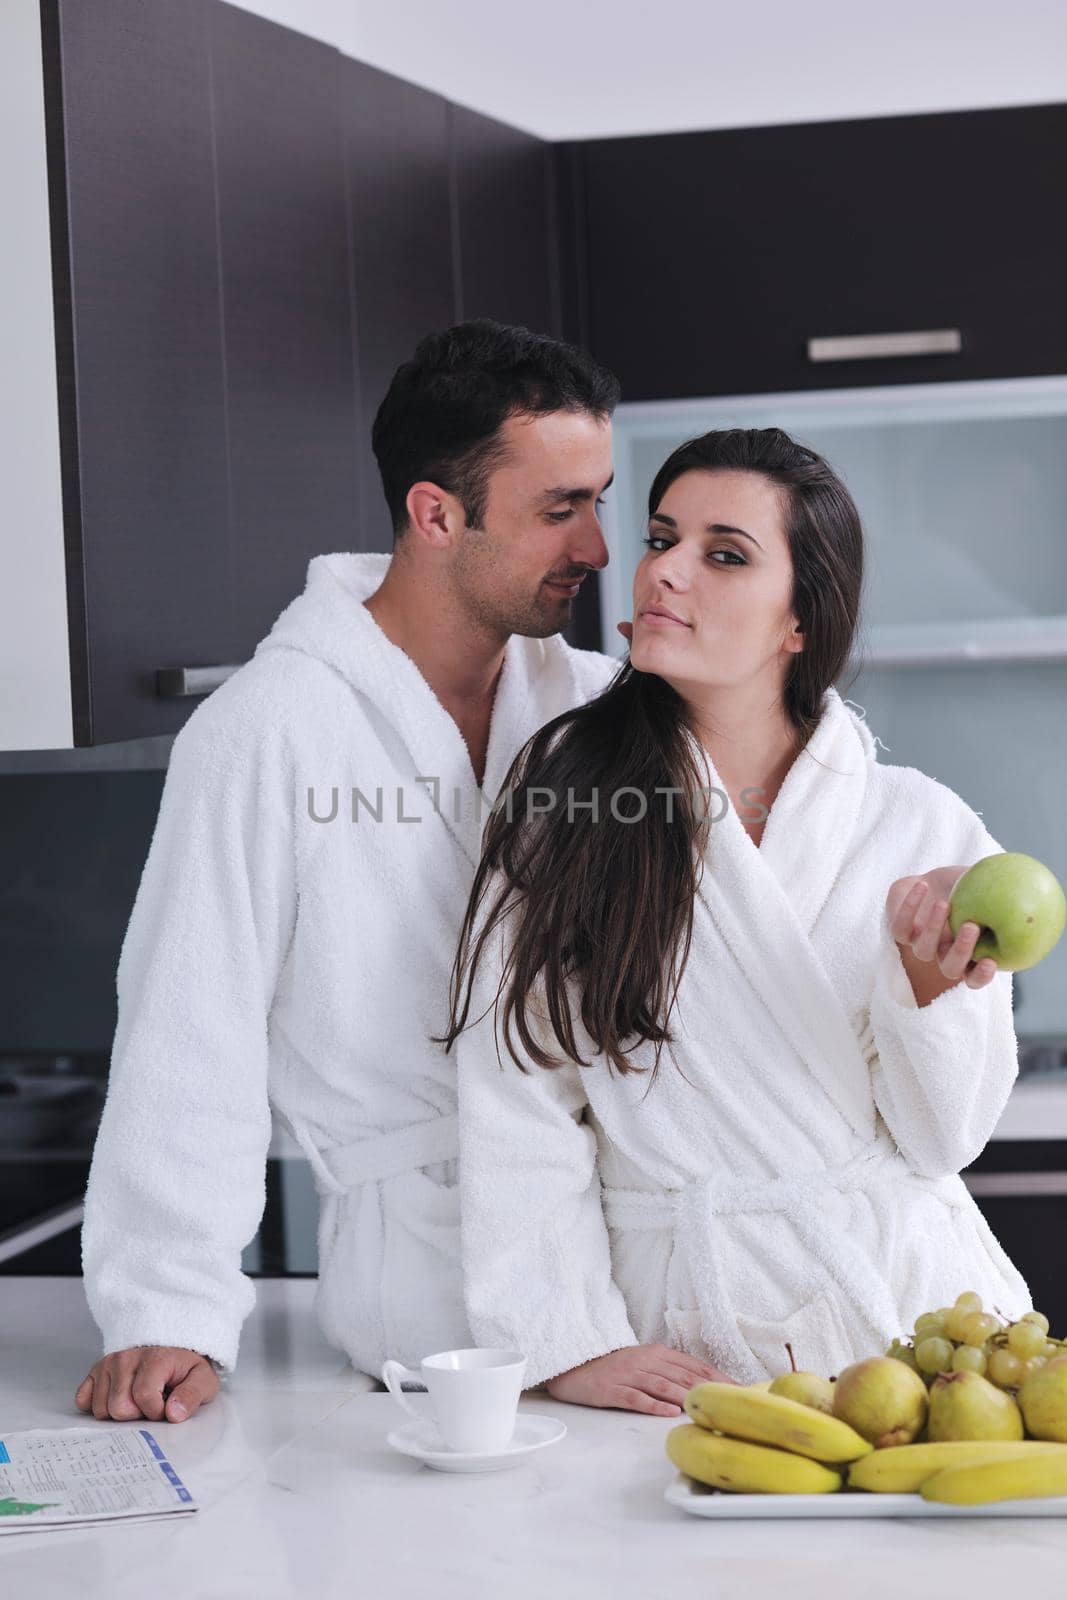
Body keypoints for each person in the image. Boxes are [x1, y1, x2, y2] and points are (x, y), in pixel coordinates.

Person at [76, 319, 729, 1426]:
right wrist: (167, 1305)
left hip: (630, 1255)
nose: (600, 549)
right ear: (436, 514)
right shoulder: (268, 729)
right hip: (433, 1289)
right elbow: (192, 1026)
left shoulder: (588, 705)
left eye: (598, 498)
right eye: (557, 508)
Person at [442, 425, 1032, 1419]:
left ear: (797, 619)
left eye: (722, 554)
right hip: (686, 1343)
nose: (664, 572)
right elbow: (515, 1096)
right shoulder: (571, 808)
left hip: (918, 1325)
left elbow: (943, 1143)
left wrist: (925, 997)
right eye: (659, 537)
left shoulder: (920, 824)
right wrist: (567, 1339)